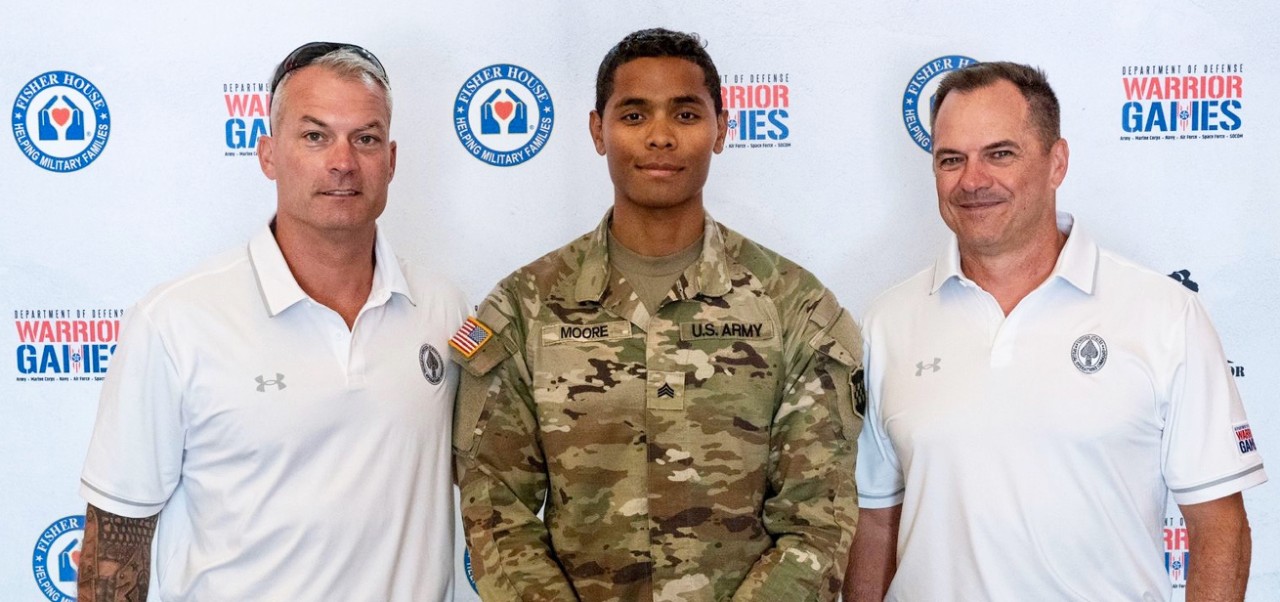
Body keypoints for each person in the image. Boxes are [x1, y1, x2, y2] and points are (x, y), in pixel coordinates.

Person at [452, 28, 862, 601]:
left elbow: (817, 518)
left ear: (722, 129)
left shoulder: (793, 306)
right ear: (599, 131)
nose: (661, 137)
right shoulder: (524, 307)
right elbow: (496, 509)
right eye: (635, 115)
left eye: (686, 115)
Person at [845, 61, 1266, 601]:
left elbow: (1219, 529)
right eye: (952, 159)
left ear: (1056, 162)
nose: (973, 181)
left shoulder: (1164, 314)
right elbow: (877, 523)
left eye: (1000, 154)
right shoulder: (887, 322)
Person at [77, 42, 465, 601]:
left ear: (391, 160)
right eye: (314, 136)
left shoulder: (444, 308)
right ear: (267, 154)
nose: (342, 161)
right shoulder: (175, 322)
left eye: (366, 138)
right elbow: (116, 543)